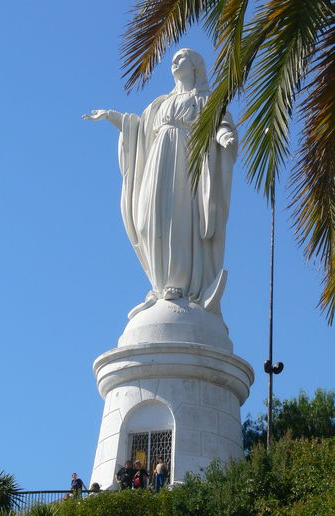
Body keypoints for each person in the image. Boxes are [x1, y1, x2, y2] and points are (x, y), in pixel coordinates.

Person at [83, 49, 237, 318]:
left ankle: (180, 284)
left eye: (181, 58)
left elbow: (220, 123)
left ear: (196, 66)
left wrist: (224, 138)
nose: (174, 62)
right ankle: (161, 284)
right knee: (150, 220)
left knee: (179, 219)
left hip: (188, 160)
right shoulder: (161, 103)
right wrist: (113, 117)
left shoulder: (206, 99)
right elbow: (141, 131)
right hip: (158, 160)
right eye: (174, 59)